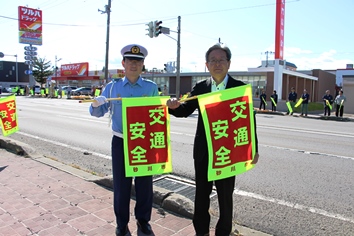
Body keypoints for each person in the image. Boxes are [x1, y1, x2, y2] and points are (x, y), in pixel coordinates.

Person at [166, 43, 259, 236]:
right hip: (204, 152)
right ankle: (201, 232)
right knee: (201, 196)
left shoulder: (240, 89)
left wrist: (254, 148)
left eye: (221, 60)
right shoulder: (201, 87)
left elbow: (248, 121)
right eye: (213, 61)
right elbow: (184, 111)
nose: (217, 64)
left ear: (229, 63)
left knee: (225, 197)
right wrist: (172, 106)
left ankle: (223, 232)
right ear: (206, 65)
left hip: (228, 152)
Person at [89, 44, 158, 236]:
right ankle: (121, 224)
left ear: (143, 64)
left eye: (138, 61)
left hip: (144, 142)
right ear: (123, 63)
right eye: (130, 61)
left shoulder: (151, 88)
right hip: (121, 141)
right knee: (121, 186)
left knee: (145, 184)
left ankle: (143, 222)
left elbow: (156, 116)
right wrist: (96, 104)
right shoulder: (112, 87)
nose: (134, 64)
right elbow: (98, 111)